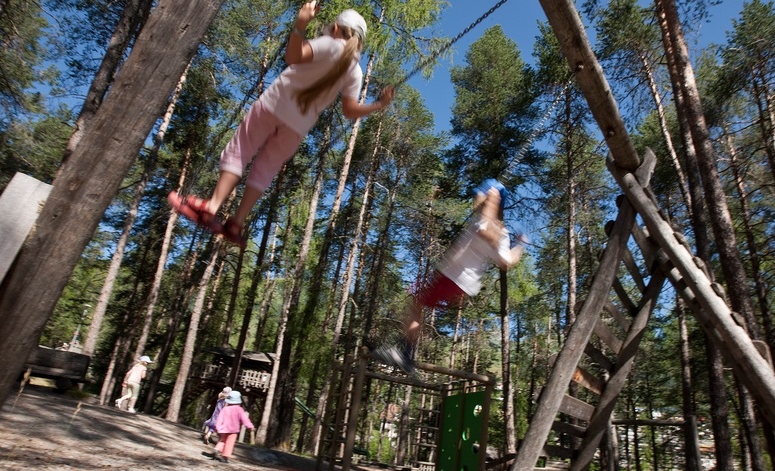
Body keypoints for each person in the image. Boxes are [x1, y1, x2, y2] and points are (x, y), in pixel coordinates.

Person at [168, 2, 394, 247]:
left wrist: (301, 23)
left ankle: (212, 207)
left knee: (241, 149)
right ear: (360, 41)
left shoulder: (329, 44)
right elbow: (350, 111)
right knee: (265, 169)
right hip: (297, 127)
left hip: (273, 106)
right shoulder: (355, 72)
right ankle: (237, 223)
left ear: (336, 28)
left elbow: (293, 57)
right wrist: (378, 105)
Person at [371, 179, 527, 376]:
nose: (477, 199)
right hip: (459, 283)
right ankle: (406, 354)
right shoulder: (502, 233)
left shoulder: (487, 223)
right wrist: (520, 244)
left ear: (492, 201)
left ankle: (405, 354)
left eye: (483, 197)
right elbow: (506, 262)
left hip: (452, 278)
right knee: (418, 304)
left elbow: (486, 230)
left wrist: (493, 198)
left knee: (416, 304)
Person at [203, 390, 255, 464]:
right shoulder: (239, 410)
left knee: (222, 440)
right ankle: (225, 457)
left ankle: (217, 449)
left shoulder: (225, 409)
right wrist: (250, 426)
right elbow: (245, 419)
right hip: (233, 430)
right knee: (229, 443)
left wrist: (218, 427)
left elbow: (220, 418)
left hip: (224, 429)